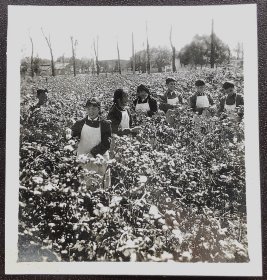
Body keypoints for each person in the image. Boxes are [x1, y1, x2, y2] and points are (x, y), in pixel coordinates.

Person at [68, 97, 112, 187]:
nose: (91, 111)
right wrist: (70, 136)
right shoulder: (79, 123)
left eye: (94, 109)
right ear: (85, 109)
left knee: (100, 185)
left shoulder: (105, 124)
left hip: (99, 158)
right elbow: (72, 136)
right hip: (83, 159)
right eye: (88, 109)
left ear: (99, 109)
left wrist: (93, 153)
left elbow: (106, 144)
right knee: (84, 185)